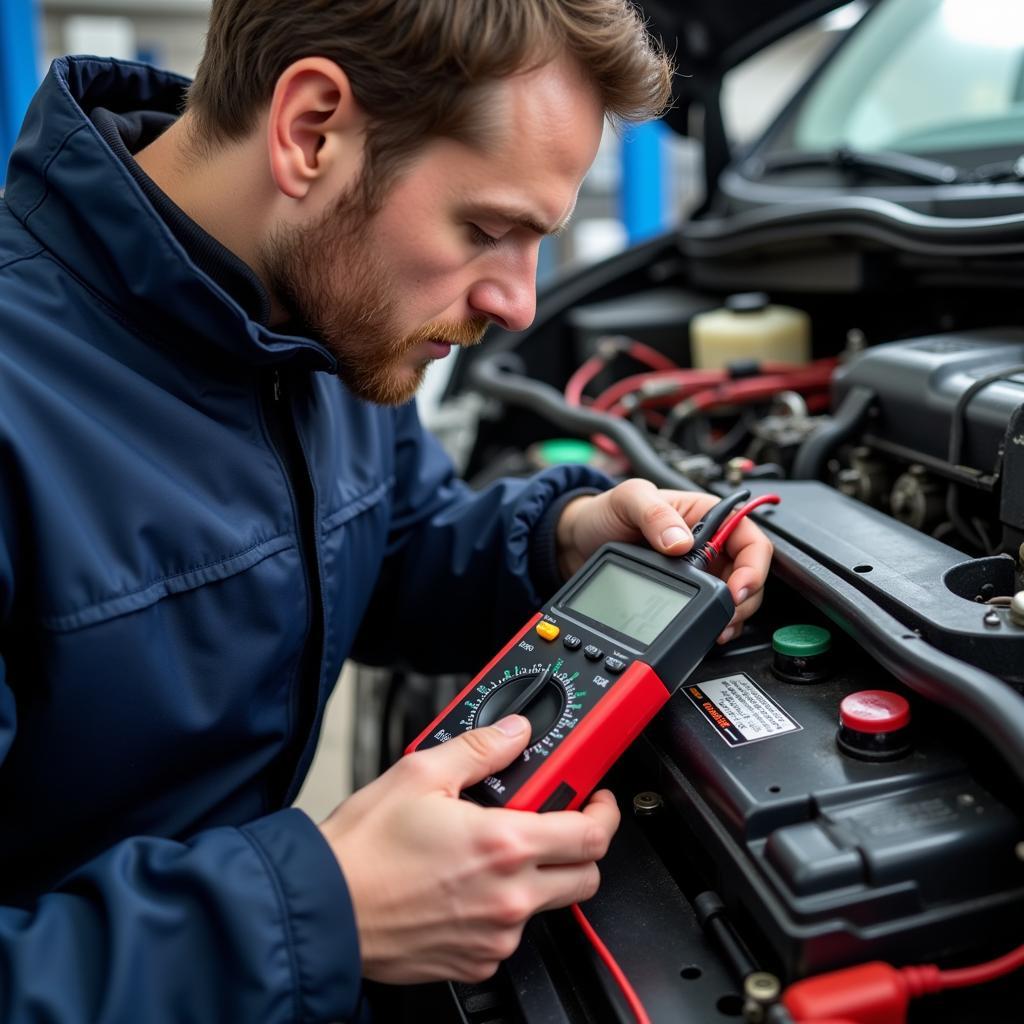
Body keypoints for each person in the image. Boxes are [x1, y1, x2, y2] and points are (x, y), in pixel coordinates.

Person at [0, 1, 772, 1020]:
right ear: (311, 129)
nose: (520, 305)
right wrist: (316, 911)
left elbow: (387, 540)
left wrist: (558, 540)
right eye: (488, 230)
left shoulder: (313, 316)